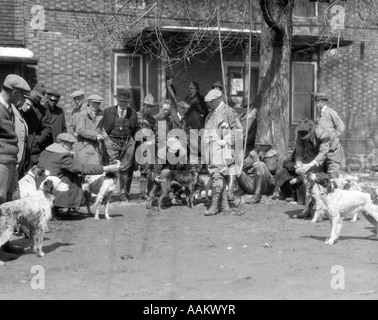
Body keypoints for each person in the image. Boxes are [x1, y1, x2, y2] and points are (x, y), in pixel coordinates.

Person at [38, 133, 119, 218]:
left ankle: (55, 208)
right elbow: (81, 168)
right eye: (71, 144)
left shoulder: (45, 151)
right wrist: (105, 168)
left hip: (41, 185)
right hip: (52, 189)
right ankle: (56, 207)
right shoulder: (63, 156)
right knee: (74, 180)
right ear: (62, 143)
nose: (72, 146)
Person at [0, 74, 31, 256]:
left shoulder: (9, 107)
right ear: (14, 92)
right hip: (2, 161)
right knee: (1, 201)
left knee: (12, 202)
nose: (23, 100)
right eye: (22, 96)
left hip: (10, 161)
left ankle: (5, 241)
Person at [202, 89, 243, 216]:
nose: (209, 103)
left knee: (217, 176)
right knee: (217, 176)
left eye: (211, 101)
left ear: (219, 99)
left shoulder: (229, 112)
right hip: (212, 150)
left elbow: (238, 130)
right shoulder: (211, 114)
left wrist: (225, 140)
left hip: (223, 150)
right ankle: (225, 206)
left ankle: (214, 206)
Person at [100, 89, 137, 202]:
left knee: (125, 169)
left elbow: (135, 129)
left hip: (126, 143)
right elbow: (100, 125)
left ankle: (123, 193)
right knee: (111, 168)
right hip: (111, 142)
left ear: (128, 102)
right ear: (118, 101)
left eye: (125, 102)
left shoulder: (132, 113)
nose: (123, 103)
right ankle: (106, 194)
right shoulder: (108, 111)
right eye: (121, 101)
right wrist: (103, 136)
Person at [20, 91, 52, 172]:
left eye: (40, 97)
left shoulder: (43, 111)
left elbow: (47, 128)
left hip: (31, 147)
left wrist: (36, 140)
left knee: (27, 172)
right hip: (18, 144)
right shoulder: (17, 107)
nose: (38, 99)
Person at [236, 140, 276, 204]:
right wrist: (252, 162)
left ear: (268, 146)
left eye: (264, 145)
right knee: (237, 169)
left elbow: (272, 169)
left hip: (265, 185)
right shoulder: (254, 153)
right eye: (260, 145)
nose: (261, 147)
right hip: (252, 184)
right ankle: (236, 191)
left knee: (260, 165)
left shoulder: (272, 154)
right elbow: (244, 165)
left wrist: (259, 162)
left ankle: (257, 195)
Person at [314, 92, 346, 169]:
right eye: (315, 102)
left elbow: (341, 126)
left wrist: (332, 137)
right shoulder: (319, 115)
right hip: (323, 146)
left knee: (332, 170)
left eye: (317, 102)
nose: (316, 104)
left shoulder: (331, 112)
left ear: (322, 102)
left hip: (332, 147)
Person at [136, 94, 158, 200]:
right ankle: (126, 193)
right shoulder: (136, 116)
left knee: (148, 169)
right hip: (137, 145)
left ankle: (147, 192)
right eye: (147, 106)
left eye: (151, 106)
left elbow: (155, 133)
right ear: (143, 105)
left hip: (148, 147)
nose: (149, 108)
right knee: (130, 169)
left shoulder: (153, 120)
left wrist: (152, 141)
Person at [76, 94, 107, 165]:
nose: (95, 105)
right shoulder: (83, 114)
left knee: (96, 172)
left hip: (97, 148)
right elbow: (80, 130)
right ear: (89, 102)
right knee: (85, 170)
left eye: (98, 103)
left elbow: (102, 129)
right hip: (85, 146)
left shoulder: (101, 114)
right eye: (93, 103)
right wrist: (96, 135)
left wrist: (104, 135)